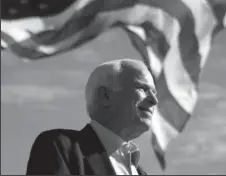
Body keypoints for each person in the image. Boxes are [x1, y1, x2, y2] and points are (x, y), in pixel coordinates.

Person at [26, 59, 158, 175]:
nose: (154, 100)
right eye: (143, 89)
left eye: (154, 92)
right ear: (105, 96)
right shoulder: (60, 148)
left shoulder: (139, 172)